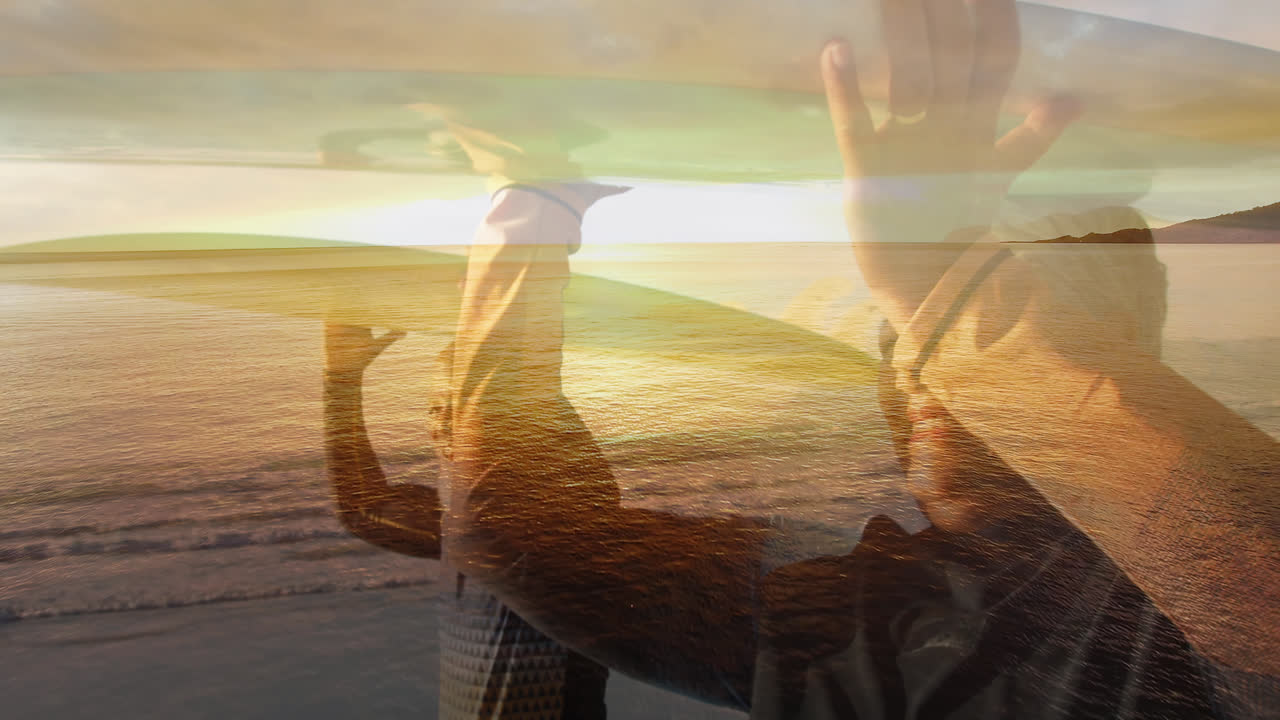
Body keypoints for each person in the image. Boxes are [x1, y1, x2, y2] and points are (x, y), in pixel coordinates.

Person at [426, 1, 1278, 718]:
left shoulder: (1139, 626)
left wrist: (953, 293)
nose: (917, 378)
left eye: (936, 343)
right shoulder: (897, 618)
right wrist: (530, 201)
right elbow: (524, 541)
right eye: (901, 344)